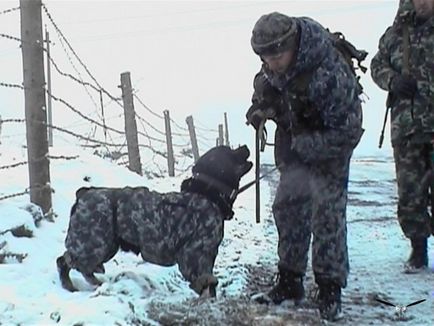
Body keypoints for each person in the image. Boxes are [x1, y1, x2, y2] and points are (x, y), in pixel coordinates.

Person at [245, 12, 364, 321]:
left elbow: (350, 131)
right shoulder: (274, 60)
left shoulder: (330, 73)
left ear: (293, 43)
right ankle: (289, 282)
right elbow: (270, 91)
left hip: (330, 146)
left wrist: (309, 147)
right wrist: (260, 110)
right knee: (287, 207)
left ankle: (329, 289)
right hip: (296, 141)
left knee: (327, 214)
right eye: (265, 57)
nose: (272, 63)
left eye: (276, 55)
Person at [370, 0, 434, 273]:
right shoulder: (394, 35)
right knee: (410, 194)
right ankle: (418, 250)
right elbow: (376, 65)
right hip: (407, 128)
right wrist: (393, 81)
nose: (421, 2)